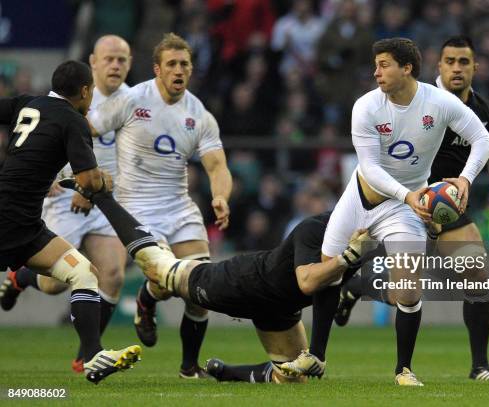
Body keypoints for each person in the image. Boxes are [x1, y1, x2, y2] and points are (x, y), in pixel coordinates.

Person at [297, 37, 489, 386]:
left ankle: (403, 369)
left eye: (384, 64)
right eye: (375, 65)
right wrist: (408, 196)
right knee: (327, 270)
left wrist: (464, 180)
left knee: (408, 290)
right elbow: (370, 168)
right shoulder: (366, 107)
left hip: (404, 209)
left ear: (407, 68)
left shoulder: (440, 104)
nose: (376, 73)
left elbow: (483, 140)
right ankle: (316, 357)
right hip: (362, 197)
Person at [59, 177, 372, 383]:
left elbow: (348, 284)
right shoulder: (316, 228)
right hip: (244, 283)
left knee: (292, 379)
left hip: (280, 307)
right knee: (158, 267)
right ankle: (103, 197)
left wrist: (320, 346)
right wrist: (348, 262)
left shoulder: (366, 238)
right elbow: (308, 282)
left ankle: (223, 372)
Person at [86, 33, 232, 378]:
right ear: (157, 69)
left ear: (191, 69)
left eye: (184, 64)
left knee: (200, 286)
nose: (178, 70)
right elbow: (87, 129)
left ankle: (188, 367)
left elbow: (217, 165)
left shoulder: (199, 114)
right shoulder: (132, 99)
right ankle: (148, 299)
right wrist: (79, 172)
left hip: (179, 207)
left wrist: (221, 195)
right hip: (137, 208)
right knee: (168, 281)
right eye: (171, 64)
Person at [0, 60, 140, 384]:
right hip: (14, 220)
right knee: (78, 274)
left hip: (27, 225)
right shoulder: (72, 120)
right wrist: (103, 180)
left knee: (83, 272)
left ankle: (92, 356)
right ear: (86, 90)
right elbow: (89, 182)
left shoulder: (27, 103)